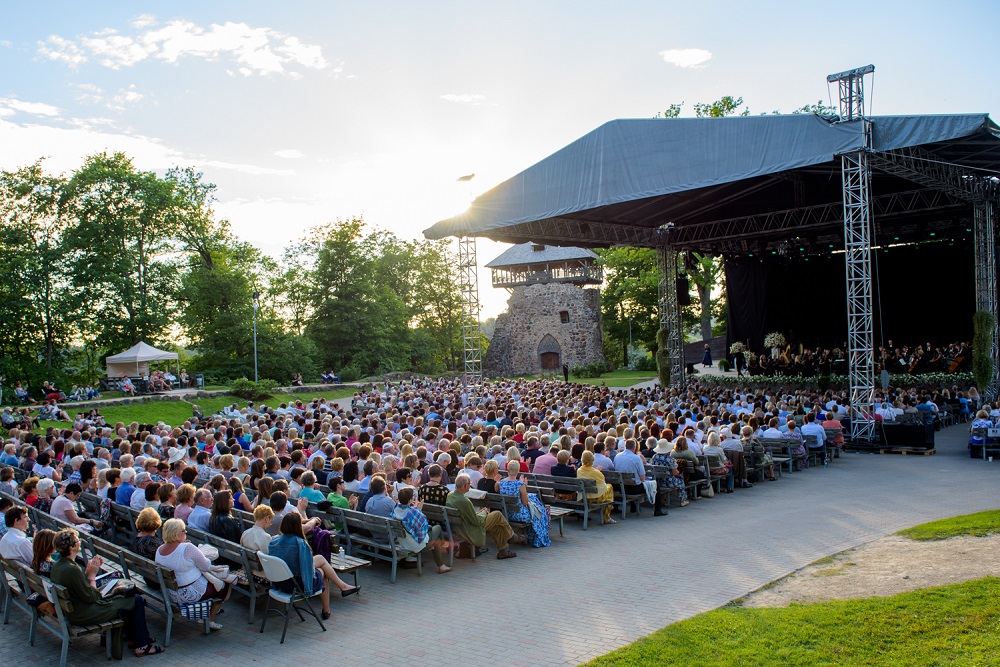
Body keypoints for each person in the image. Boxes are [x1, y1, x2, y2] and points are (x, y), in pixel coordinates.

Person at [51, 528, 164, 657]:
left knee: (126, 598)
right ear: (71, 547)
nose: (79, 542)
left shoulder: (59, 565)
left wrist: (88, 573)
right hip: (84, 613)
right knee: (136, 600)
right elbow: (92, 597)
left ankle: (137, 638)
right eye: (77, 541)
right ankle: (142, 646)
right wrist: (92, 575)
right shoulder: (72, 569)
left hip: (75, 611)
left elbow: (81, 588)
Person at [269, 512, 359, 621]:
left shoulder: (274, 541)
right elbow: (307, 569)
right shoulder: (300, 544)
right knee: (322, 571)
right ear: (298, 526)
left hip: (279, 582)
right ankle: (327, 608)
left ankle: (342, 589)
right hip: (296, 584)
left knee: (320, 560)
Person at [155, 519, 230, 629]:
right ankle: (210, 618)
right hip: (190, 593)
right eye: (183, 531)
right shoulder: (187, 548)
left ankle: (208, 611)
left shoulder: (159, 550)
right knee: (225, 584)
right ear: (176, 533)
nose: (186, 533)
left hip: (170, 592)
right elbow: (206, 566)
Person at [447, 474, 517, 559]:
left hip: (460, 527)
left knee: (497, 525)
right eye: (470, 483)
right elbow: (476, 521)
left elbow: (469, 516)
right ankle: (511, 536)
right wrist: (484, 512)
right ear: (465, 485)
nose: (470, 485)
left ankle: (504, 552)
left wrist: (480, 513)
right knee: (497, 514)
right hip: (469, 530)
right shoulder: (465, 501)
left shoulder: (450, 495)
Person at [391, 487, 452, 573]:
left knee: (436, 539)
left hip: (403, 543)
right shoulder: (414, 512)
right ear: (409, 501)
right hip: (415, 545)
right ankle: (444, 549)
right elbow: (424, 529)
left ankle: (442, 565)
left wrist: (417, 510)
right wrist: (419, 511)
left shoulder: (395, 510)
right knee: (438, 528)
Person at [499, 460, 550, 547]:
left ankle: (528, 536)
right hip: (519, 515)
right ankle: (537, 538)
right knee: (540, 511)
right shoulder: (519, 484)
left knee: (536, 509)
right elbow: (525, 502)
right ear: (518, 470)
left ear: (508, 469)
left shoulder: (502, 482)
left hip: (506, 513)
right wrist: (524, 486)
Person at [576, 450, 616, 524]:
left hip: (584, 497)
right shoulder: (596, 473)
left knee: (607, 490)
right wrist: (598, 471)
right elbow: (602, 484)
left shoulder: (579, 470)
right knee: (609, 487)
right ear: (592, 460)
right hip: (596, 498)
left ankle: (610, 504)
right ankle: (607, 515)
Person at [650, 438, 689, 507]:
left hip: (658, 481)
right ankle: (683, 500)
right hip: (669, 482)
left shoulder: (654, 457)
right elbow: (675, 473)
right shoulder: (670, 459)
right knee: (681, 481)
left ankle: (663, 498)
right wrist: (680, 475)